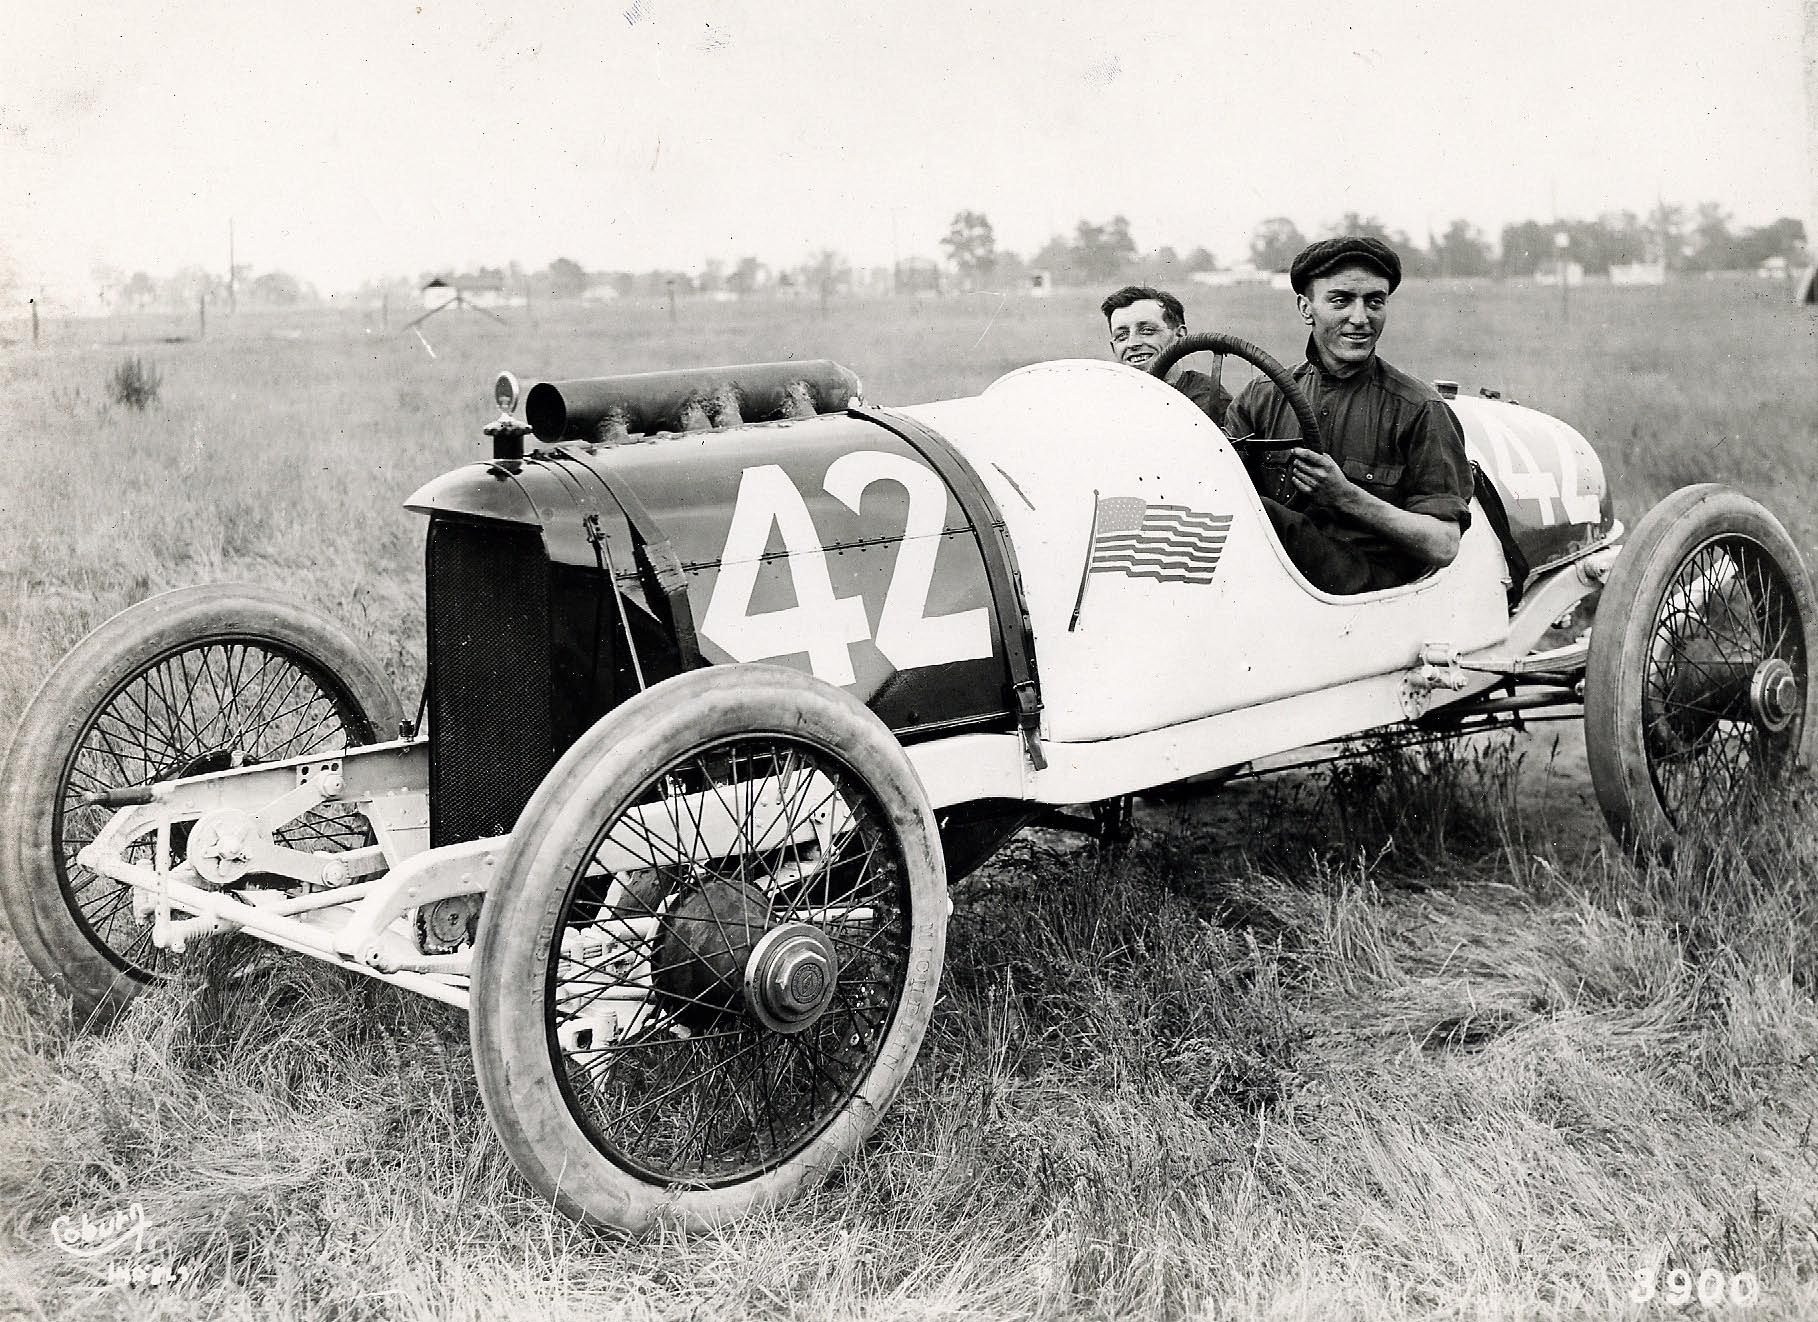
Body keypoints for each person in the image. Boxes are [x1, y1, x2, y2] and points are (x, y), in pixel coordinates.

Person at [1223, 237, 1473, 595]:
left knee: (1261, 513)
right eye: (1340, 300)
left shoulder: (1420, 409)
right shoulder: (1260, 398)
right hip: (1275, 583)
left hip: (1369, 594)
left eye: (1375, 302)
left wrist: (1345, 495)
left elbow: (1443, 544)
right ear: (1306, 308)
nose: (1360, 318)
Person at [1100, 285, 1232, 426]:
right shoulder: (1107, 401)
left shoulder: (1208, 400)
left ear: (1180, 336)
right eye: (1121, 336)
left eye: (1146, 330)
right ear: (1113, 347)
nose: (1132, 343)